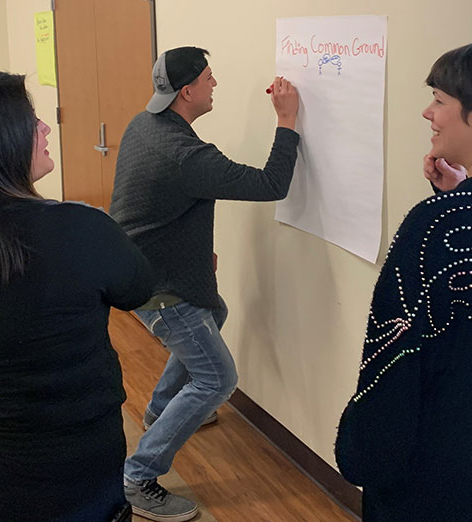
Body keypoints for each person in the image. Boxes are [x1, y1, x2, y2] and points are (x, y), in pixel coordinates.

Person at [0, 72, 154, 522]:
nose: (45, 129)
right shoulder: (80, 229)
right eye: (31, 121)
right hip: (73, 477)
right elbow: (139, 288)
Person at [109, 46, 300, 521]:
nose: (216, 85)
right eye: (210, 79)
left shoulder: (143, 125)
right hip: (160, 289)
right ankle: (138, 477)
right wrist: (287, 121)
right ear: (189, 90)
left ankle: (159, 410)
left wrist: (192, 252)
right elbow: (272, 183)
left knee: (213, 312)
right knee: (219, 378)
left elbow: (149, 205)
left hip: (144, 268)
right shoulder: (187, 155)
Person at [335, 40, 472, 521]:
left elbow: (397, 356)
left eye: (439, 99)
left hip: (447, 474)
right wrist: (461, 197)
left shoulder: (437, 225)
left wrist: (363, 455)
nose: (427, 112)